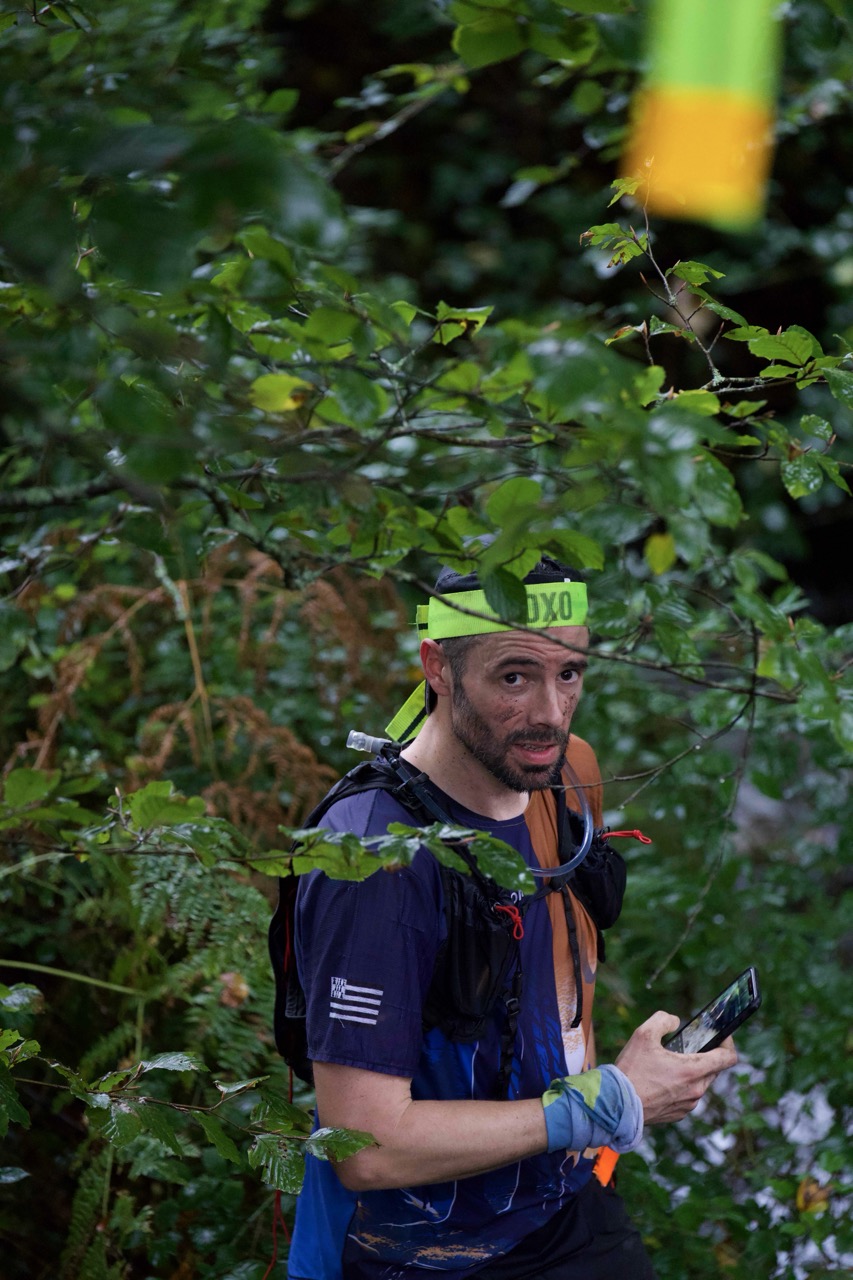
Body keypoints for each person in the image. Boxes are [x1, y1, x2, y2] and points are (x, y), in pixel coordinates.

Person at [285, 557, 737, 1279]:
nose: (550, 714)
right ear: (438, 668)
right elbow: (365, 1148)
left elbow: (557, 990)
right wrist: (606, 1104)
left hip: (563, 1204)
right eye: (514, 677)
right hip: (415, 1251)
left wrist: (607, 1109)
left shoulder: (563, 771)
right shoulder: (375, 858)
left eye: (569, 673)